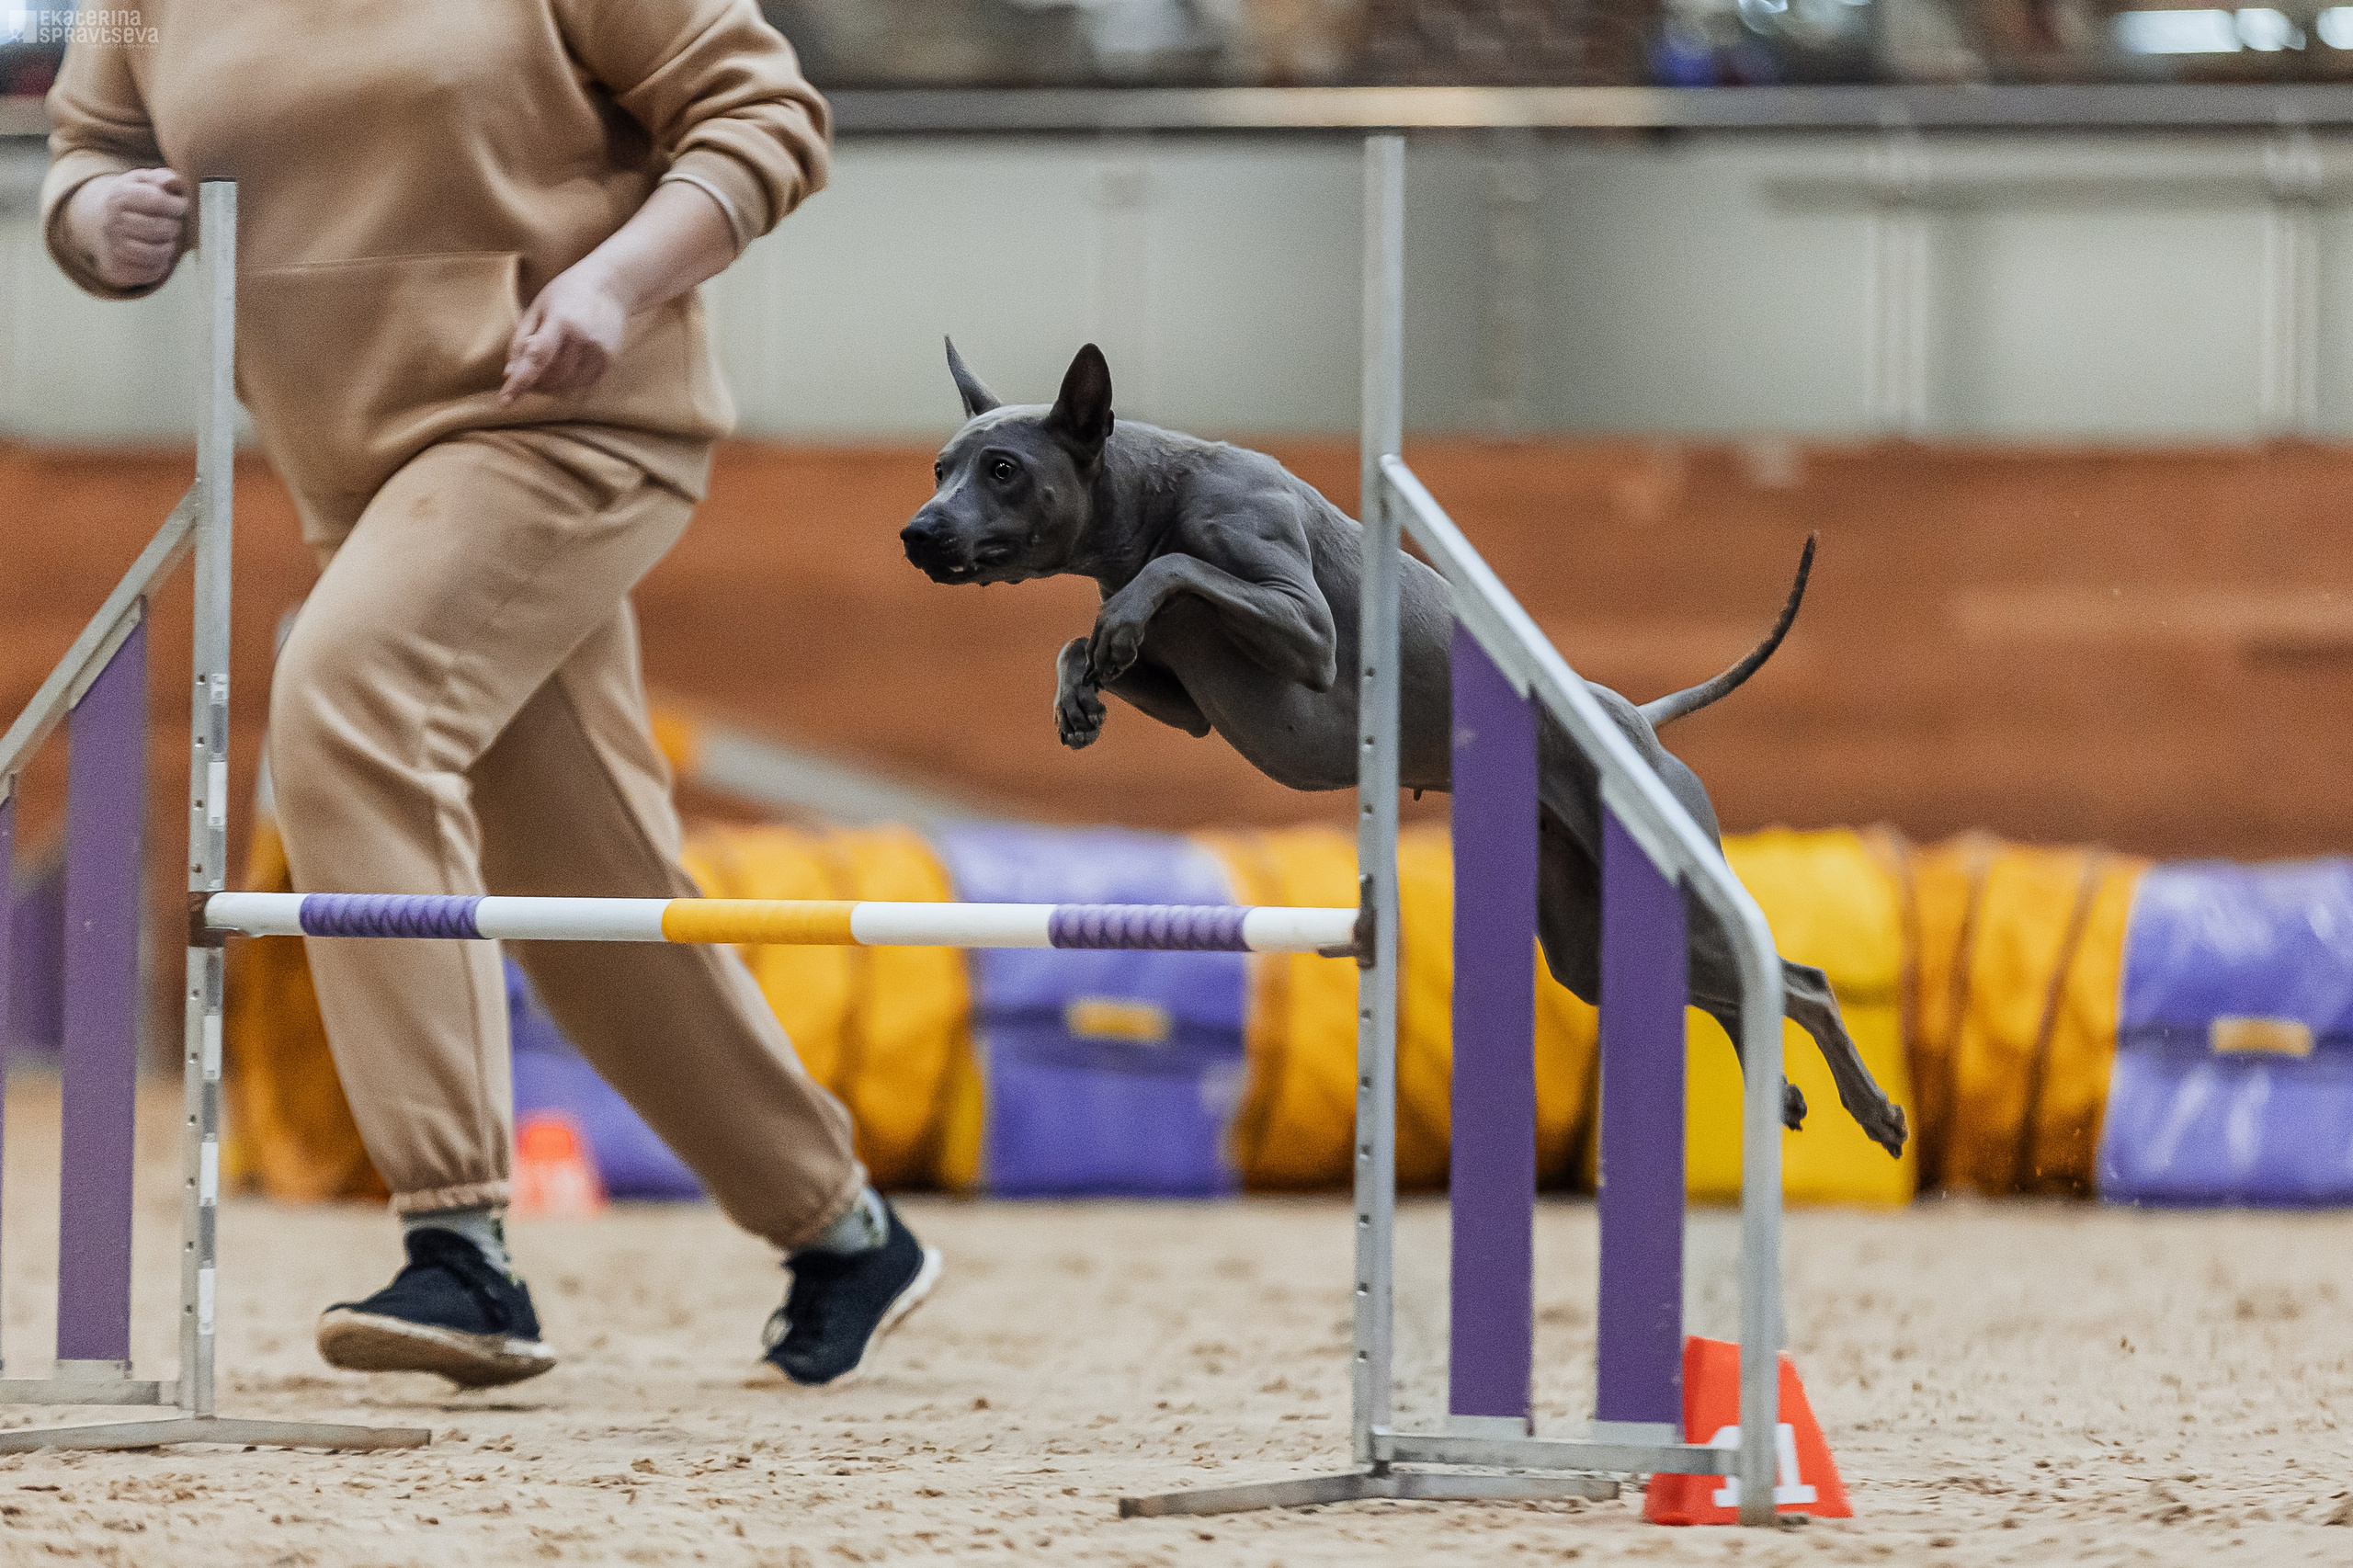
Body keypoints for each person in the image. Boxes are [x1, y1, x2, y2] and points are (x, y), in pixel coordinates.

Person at [40, 0, 937, 1390]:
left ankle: (458, 1240)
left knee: (345, 702)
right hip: (359, 478)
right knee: (585, 889)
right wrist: (96, 218)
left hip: (571, 423)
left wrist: (616, 282)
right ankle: (841, 1228)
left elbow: (767, 116)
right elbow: (88, 145)